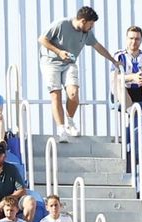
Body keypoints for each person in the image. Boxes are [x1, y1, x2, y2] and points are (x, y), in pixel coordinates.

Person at [37, 7, 116, 142]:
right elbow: (42, 39)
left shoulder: (87, 33)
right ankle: (61, 129)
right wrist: (59, 52)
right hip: (50, 62)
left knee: (73, 94)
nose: (91, 27)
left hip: (69, 63)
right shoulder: (61, 24)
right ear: (83, 21)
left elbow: (98, 47)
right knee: (56, 94)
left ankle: (69, 121)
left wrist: (114, 61)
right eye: (90, 24)